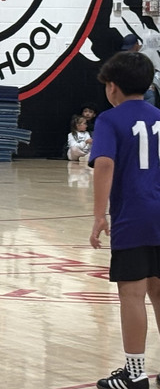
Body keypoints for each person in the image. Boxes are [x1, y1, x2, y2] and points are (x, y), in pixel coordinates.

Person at [88, 50, 160, 389]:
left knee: (132, 294)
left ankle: (134, 374)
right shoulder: (159, 117)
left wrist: (99, 214)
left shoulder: (109, 120)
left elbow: (104, 164)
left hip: (134, 216)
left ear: (112, 87)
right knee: (159, 292)